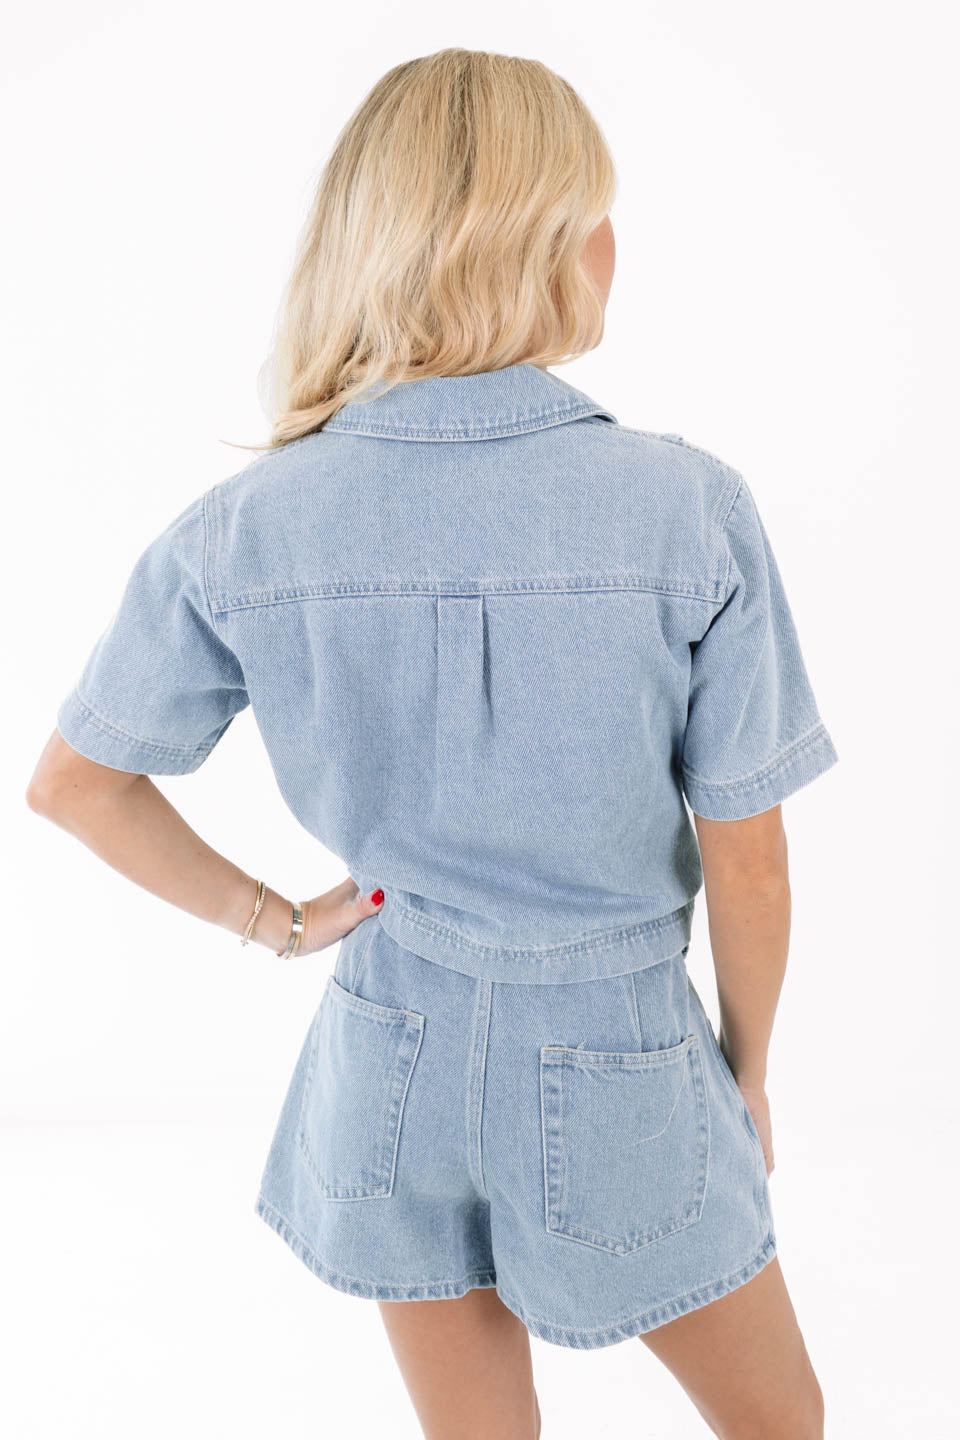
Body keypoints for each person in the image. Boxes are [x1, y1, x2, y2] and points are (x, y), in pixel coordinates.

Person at [27, 46, 838, 1440]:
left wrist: (281, 922)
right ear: (554, 242)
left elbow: (75, 783)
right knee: (784, 1425)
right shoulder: (686, 508)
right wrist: (745, 1072)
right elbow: (749, 862)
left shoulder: (252, 523)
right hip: (621, 1050)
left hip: (387, 1044)